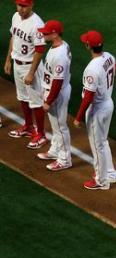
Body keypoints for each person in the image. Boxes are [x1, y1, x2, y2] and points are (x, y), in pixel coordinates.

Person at [73, 30, 116, 190]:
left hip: (97, 108)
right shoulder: (110, 57)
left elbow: (88, 96)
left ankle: (101, 180)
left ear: (88, 46)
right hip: (108, 102)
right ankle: (109, 173)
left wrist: (78, 117)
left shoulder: (91, 68)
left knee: (98, 145)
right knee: (103, 142)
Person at [5, 0, 47, 149]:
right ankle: (28, 127)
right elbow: (13, 38)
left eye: (24, 6)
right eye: (19, 5)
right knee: (22, 97)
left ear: (32, 5)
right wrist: (8, 59)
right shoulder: (15, 16)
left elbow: (40, 50)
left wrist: (31, 72)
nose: (21, 8)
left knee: (36, 101)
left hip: (30, 66)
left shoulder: (37, 24)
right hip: (17, 63)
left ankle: (41, 134)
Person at [34, 19, 71, 171]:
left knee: (60, 127)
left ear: (55, 34)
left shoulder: (60, 55)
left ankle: (64, 159)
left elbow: (57, 82)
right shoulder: (61, 45)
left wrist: (49, 101)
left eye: (46, 33)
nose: (43, 35)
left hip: (57, 93)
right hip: (54, 90)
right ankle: (55, 150)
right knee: (56, 126)